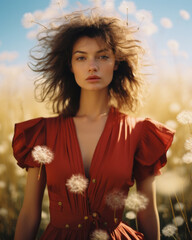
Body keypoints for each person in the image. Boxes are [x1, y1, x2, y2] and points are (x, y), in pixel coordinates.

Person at [12, 9, 175, 240]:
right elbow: (29, 213)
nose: (92, 66)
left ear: (116, 63)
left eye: (103, 56)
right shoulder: (42, 134)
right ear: (70, 65)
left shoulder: (140, 132)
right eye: (81, 57)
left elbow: (147, 212)